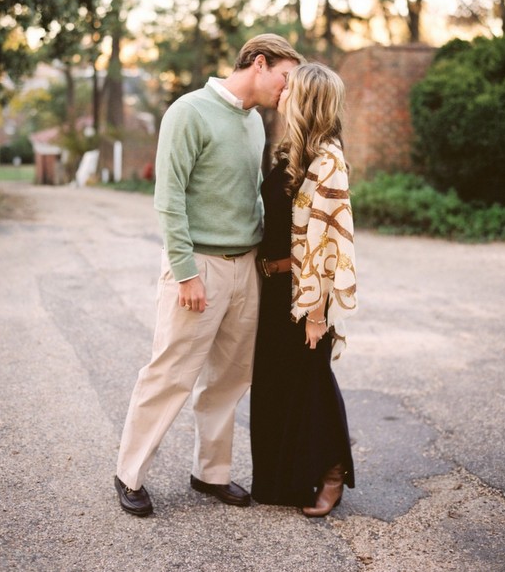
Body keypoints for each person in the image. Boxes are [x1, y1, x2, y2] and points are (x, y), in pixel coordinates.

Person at [114, 34, 304, 517]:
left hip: (246, 268)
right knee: (171, 372)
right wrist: (184, 273)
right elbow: (169, 198)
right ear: (258, 64)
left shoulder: (256, 123)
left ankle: (210, 473)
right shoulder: (189, 111)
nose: (288, 89)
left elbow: (253, 198)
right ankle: (129, 473)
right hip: (197, 266)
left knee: (230, 378)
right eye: (284, 78)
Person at [250, 62, 357, 517]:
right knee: (277, 386)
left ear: (307, 100)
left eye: (290, 88)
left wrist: (315, 312)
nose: (283, 92)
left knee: (312, 383)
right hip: (275, 289)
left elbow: (331, 242)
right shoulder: (293, 153)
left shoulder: (328, 162)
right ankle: (284, 481)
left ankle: (333, 474)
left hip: (305, 294)